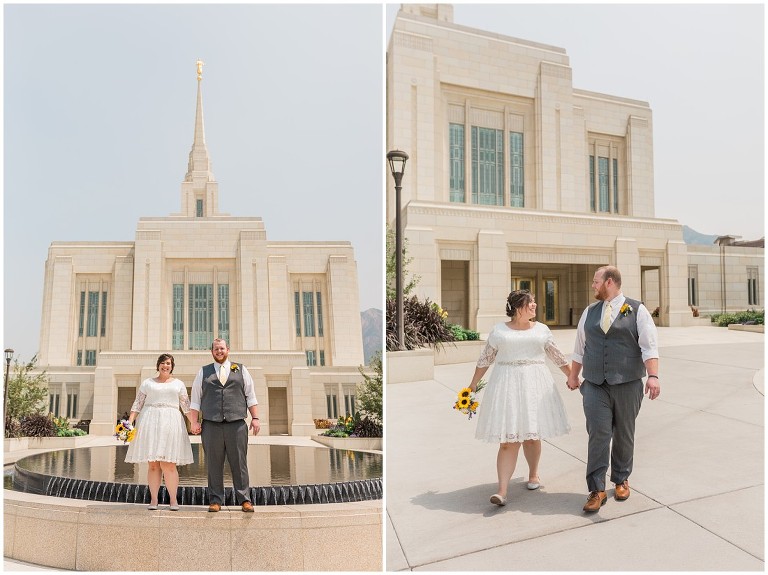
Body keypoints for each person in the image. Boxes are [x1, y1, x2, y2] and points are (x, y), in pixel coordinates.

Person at [567, 265, 660, 513]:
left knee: (624, 433)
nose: (593, 285)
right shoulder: (589, 312)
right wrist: (574, 375)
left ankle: (621, 478)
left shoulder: (638, 310)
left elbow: (649, 347)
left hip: (628, 383)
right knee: (598, 433)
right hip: (595, 383)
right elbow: (580, 347)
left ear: (609, 282)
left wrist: (653, 376)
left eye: (596, 281)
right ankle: (596, 489)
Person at [469, 290, 572, 506]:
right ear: (518, 307)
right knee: (508, 440)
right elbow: (485, 359)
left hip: (535, 384)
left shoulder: (542, 330)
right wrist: (472, 386)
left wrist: (572, 376)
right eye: (530, 302)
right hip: (506, 386)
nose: (535, 305)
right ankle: (502, 491)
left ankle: (533, 473)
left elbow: (557, 355)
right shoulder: (499, 331)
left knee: (532, 435)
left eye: (535, 301)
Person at [188, 338, 260, 512]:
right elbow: (196, 400)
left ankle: (244, 500)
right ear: (212, 352)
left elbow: (250, 395)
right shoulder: (203, 372)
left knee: (239, 463)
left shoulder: (241, 370)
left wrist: (255, 418)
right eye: (215, 349)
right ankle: (215, 500)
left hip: (236, 424)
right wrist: (194, 422)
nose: (219, 351)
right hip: (211, 425)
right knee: (213, 463)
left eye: (221, 348)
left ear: (228, 349)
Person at [125, 353, 194, 511]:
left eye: (168, 363)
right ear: (158, 365)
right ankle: (154, 500)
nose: (165, 365)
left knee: (169, 464)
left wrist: (194, 422)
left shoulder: (179, 384)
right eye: (163, 363)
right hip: (150, 422)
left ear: (172, 366)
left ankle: (173, 500)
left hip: (171, 423)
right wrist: (129, 422)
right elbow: (138, 404)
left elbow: (186, 407)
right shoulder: (147, 383)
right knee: (154, 465)